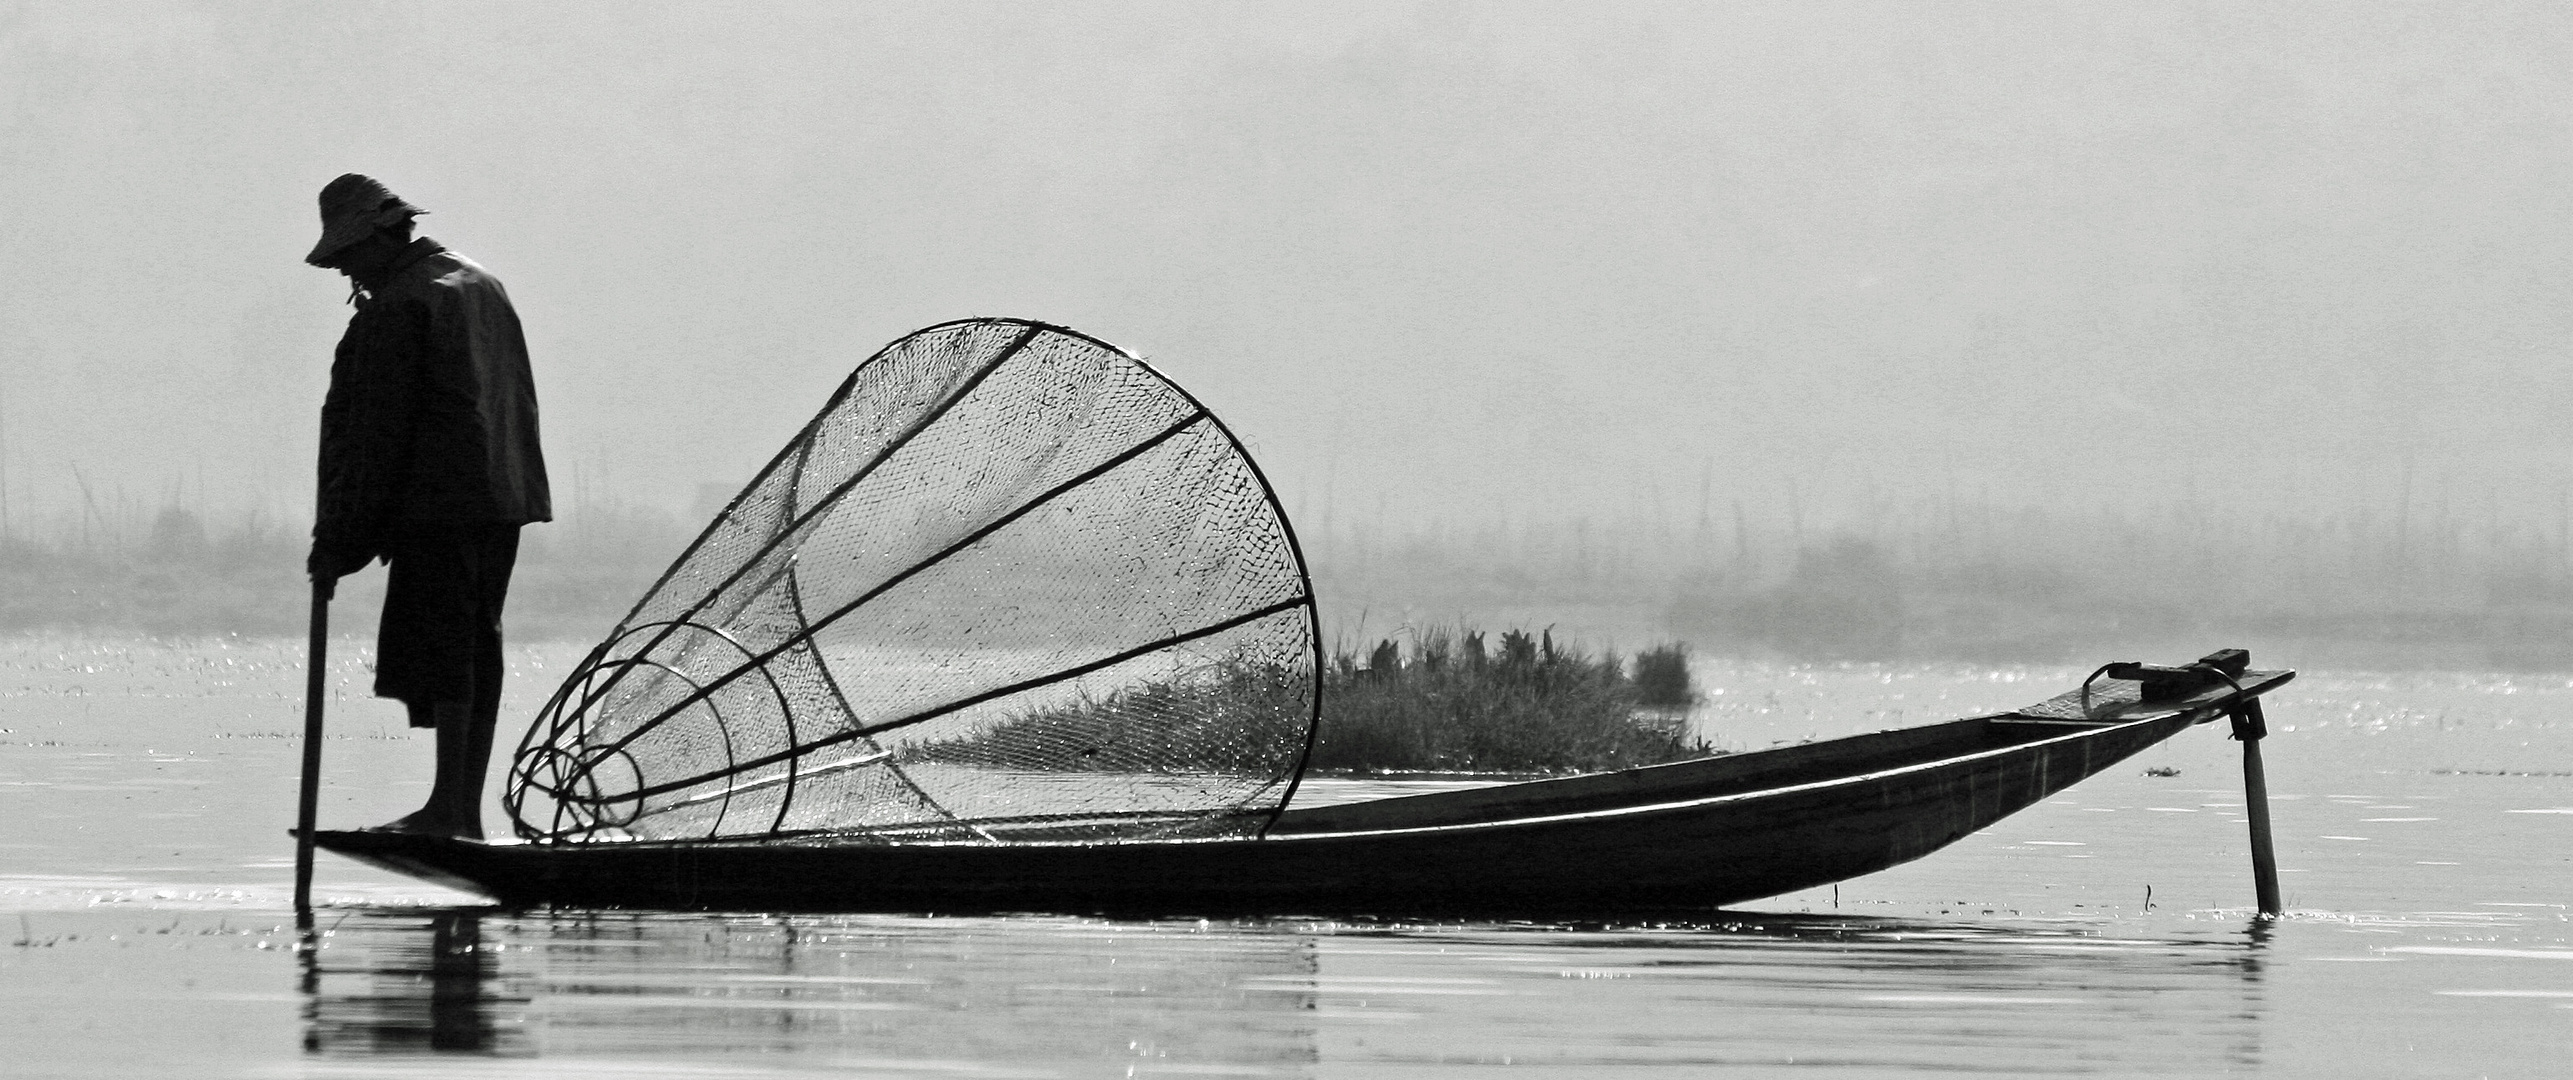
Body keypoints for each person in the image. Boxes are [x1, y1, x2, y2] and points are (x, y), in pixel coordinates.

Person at [304, 174, 551, 839]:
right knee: (475, 644)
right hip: (500, 496)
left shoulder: (403, 306)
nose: (347, 270)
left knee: (447, 648)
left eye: (351, 254)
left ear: (382, 236)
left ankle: (450, 811)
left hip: (441, 502)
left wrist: (339, 541)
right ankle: (458, 808)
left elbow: (376, 435)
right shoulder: (479, 284)